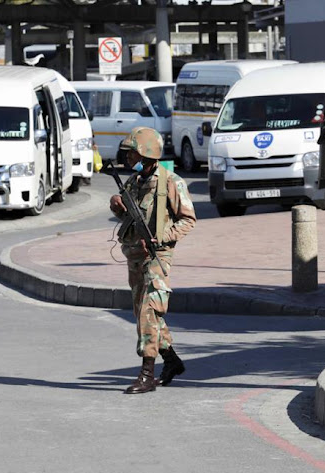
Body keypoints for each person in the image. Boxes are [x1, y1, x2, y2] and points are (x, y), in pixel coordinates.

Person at [109, 127, 197, 394]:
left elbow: (188, 219)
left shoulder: (171, 182)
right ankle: (171, 361)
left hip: (158, 257)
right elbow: (124, 212)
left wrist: (164, 237)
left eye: (131, 152)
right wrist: (116, 203)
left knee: (149, 311)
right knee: (145, 314)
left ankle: (147, 373)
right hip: (134, 255)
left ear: (146, 153)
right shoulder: (135, 182)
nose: (127, 158)